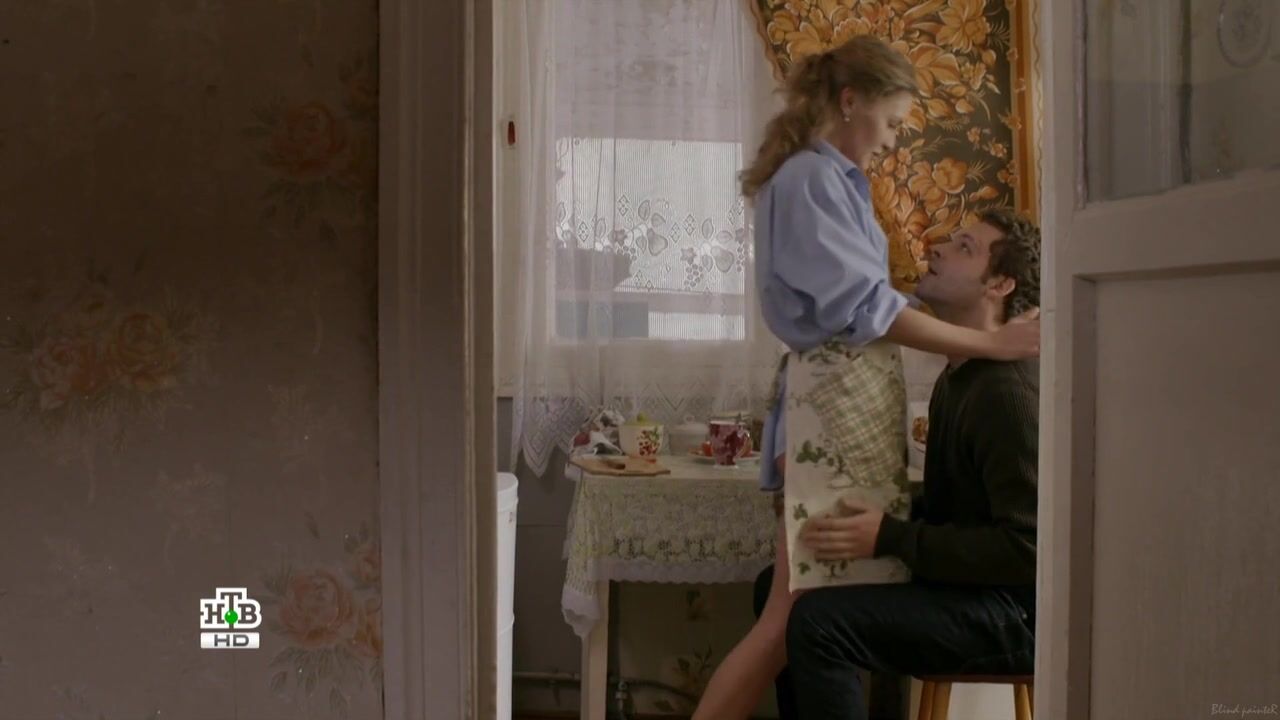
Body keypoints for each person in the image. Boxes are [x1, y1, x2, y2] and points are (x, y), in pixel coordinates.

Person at [688, 34, 1039, 720]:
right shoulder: (813, 180)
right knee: (786, 618)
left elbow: (867, 306)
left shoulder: (827, 180)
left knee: (792, 614)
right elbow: (866, 311)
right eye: (893, 121)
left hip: (833, 405)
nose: (894, 140)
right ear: (851, 101)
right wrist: (990, 343)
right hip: (831, 405)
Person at [781, 209, 1042, 719]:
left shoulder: (1005, 393)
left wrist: (890, 536)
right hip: (970, 593)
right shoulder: (961, 375)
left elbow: (1027, 550)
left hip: (1011, 617)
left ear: (1000, 285)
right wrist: (873, 516)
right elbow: (961, 507)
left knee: (819, 623)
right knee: (785, 584)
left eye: (965, 247)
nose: (936, 247)